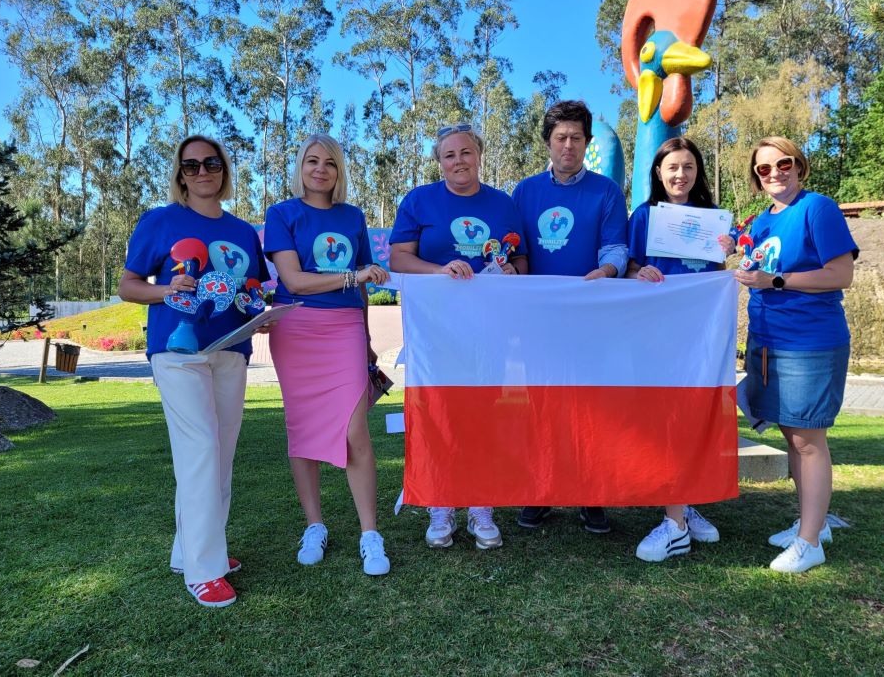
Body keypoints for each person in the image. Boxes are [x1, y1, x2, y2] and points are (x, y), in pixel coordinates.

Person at [119, 134, 269, 608]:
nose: (202, 172)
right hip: (177, 351)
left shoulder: (243, 231)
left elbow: (251, 289)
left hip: (232, 349)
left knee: (219, 453)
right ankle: (204, 570)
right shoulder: (160, 221)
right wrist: (167, 290)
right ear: (180, 174)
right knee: (201, 448)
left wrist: (258, 313)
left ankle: (192, 551)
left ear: (224, 169)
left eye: (211, 163)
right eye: (191, 165)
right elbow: (128, 286)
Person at [390, 123, 527, 550]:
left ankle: (481, 506)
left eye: (466, 152)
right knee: (438, 415)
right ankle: (441, 503)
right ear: (439, 162)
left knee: (484, 416)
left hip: (488, 333)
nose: (458, 161)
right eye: (449, 155)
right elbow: (398, 258)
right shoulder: (418, 200)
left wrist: (512, 270)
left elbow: (522, 261)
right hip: (434, 332)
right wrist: (440, 271)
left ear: (479, 155)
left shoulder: (503, 204)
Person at [264, 134, 391, 576]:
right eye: (312, 161)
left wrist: (367, 337)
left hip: (345, 329)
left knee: (355, 431)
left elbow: (364, 287)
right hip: (296, 329)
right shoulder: (282, 214)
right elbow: (294, 281)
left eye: (330, 163)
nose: (320, 169)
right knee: (302, 428)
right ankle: (314, 525)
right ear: (300, 167)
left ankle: (370, 533)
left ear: (339, 172)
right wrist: (353, 276)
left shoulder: (353, 216)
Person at [733, 136, 858, 574]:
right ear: (756, 178)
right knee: (793, 435)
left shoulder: (817, 208)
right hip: (769, 341)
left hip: (810, 341)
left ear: (799, 166)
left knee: (808, 440)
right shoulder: (760, 222)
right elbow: (755, 268)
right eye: (764, 169)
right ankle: (812, 524)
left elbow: (841, 273)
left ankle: (809, 542)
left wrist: (778, 281)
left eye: (783, 164)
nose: (775, 174)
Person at [511, 99, 628, 534]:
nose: (568, 145)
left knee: (590, 406)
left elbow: (616, 248)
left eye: (576, 138)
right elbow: (514, 251)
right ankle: (540, 491)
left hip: (591, 322)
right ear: (547, 142)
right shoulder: (524, 192)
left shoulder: (607, 192)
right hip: (537, 323)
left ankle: (591, 493)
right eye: (560, 137)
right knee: (541, 406)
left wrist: (608, 271)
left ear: (587, 142)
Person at [624, 137, 734, 562]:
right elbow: (629, 267)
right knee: (664, 418)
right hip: (656, 336)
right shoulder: (644, 216)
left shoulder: (712, 218)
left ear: (697, 171)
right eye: (672, 167)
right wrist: (639, 272)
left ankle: (682, 507)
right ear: (658, 172)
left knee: (692, 418)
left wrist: (730, 255)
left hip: (700, 335)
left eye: (688, 166)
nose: (680, 175)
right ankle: (676, 519)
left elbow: (718, 275)